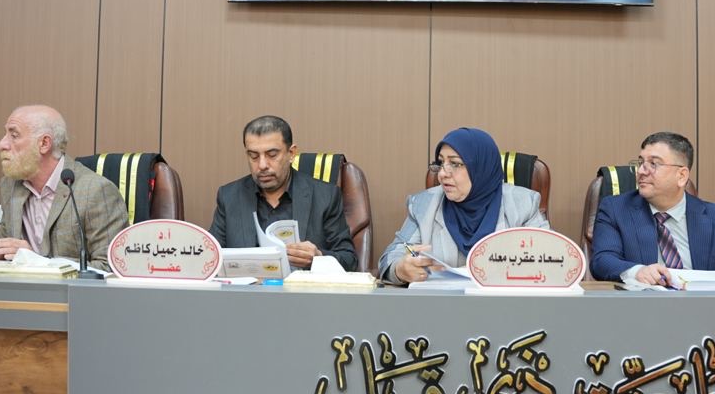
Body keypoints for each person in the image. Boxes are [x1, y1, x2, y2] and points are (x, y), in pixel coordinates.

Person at [380, 127, 549, 284]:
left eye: (455, 164)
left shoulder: (524, 204)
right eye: (441, 163)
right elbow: (390, 257)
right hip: (442, 304)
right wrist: (400, 269)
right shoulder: (424, 205)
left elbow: (549, 260)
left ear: (481, 168)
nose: (442, 174)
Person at [590, 131, 715, 285]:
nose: (640, 171)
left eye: (653, 164)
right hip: (643, 298)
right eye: (641, 163)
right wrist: (637, 271)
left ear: (681, 176)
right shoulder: (616, 209)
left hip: (700, 299)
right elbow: (602, 261)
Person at [0, 105, 127, 271]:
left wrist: (37, 262)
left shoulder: (95, 191)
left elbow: (111, 267)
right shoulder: (9, 186)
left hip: (72, 289)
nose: (1, 144)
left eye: (14, 136)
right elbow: (7, 252)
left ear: (44, 143)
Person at [209, 115, 356, 270]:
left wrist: (318, 258)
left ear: (291, 153)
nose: (262, 165)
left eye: (272, 155)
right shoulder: (229, 197)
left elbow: (350, 260)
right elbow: (210, 257)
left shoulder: (325, 196)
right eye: (254, 156)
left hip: (299, 286)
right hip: (248, 285)